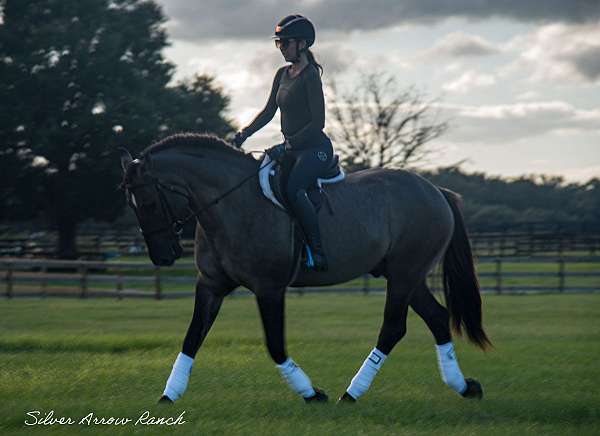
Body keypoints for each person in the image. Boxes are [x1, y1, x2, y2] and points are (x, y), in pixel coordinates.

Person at [232, 14, 333, 272]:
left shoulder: (311, 76)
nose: (281, 49)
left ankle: (318, 252)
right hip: (293, 149)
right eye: (279, 44)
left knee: (294, 189)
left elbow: (317, 124)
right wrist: (245, 133)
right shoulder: (282, 74)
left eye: (284, 43)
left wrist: (286, 146)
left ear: (301, 44)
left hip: (315, 149)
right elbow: (268, 112)